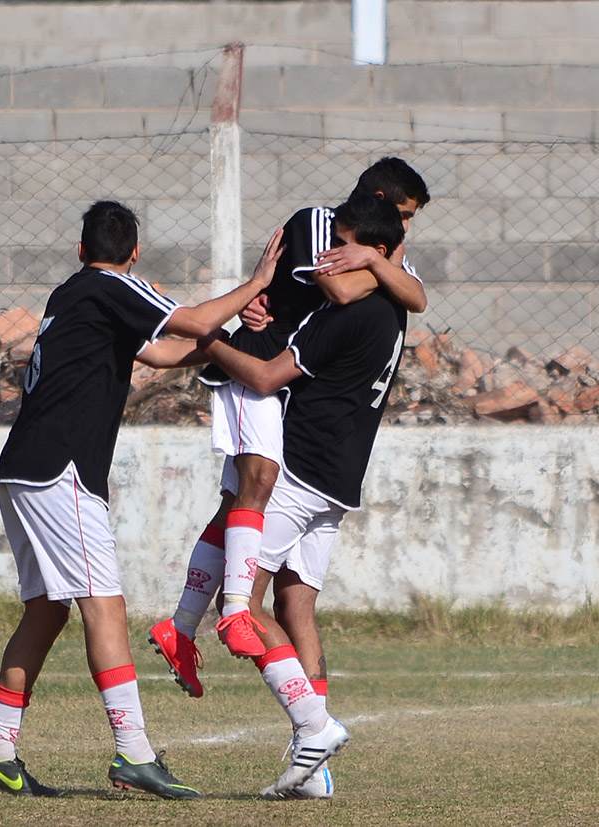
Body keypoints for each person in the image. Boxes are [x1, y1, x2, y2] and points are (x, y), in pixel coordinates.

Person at [0, 200, 281, 800]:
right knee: (104, 608)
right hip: (61, 472)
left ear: (80, 249)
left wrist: (228, 338)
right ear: (133, 255)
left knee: (46, 609)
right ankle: (134, 752)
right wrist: (257, 285)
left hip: (22, 470)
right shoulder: (112, 287)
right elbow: (186, 321)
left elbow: (163, 351)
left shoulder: (72, 294)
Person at [149, 157, 430, 692]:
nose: (408, 230)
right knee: (255, 489)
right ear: (377, 200)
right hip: (255, 368)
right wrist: (377, 264)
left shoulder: (371, 247)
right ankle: (222, 614)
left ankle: (183, 627)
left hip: (280, 383)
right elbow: (344, 293)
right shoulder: (319, 224)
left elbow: (416, 296)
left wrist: (374, 258)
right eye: (405, 214)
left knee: (240, 505)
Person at [196, 195, 412, 798]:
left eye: (339, 245)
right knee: (297, 607)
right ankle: (314, 773)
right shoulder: (396, 303)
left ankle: (313, 728)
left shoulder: (351, 311)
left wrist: (208, 337)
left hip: (301, 472)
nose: (327, 257)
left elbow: (265, 377)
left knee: (240, 609)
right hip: (340, 480)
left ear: (375, 250)